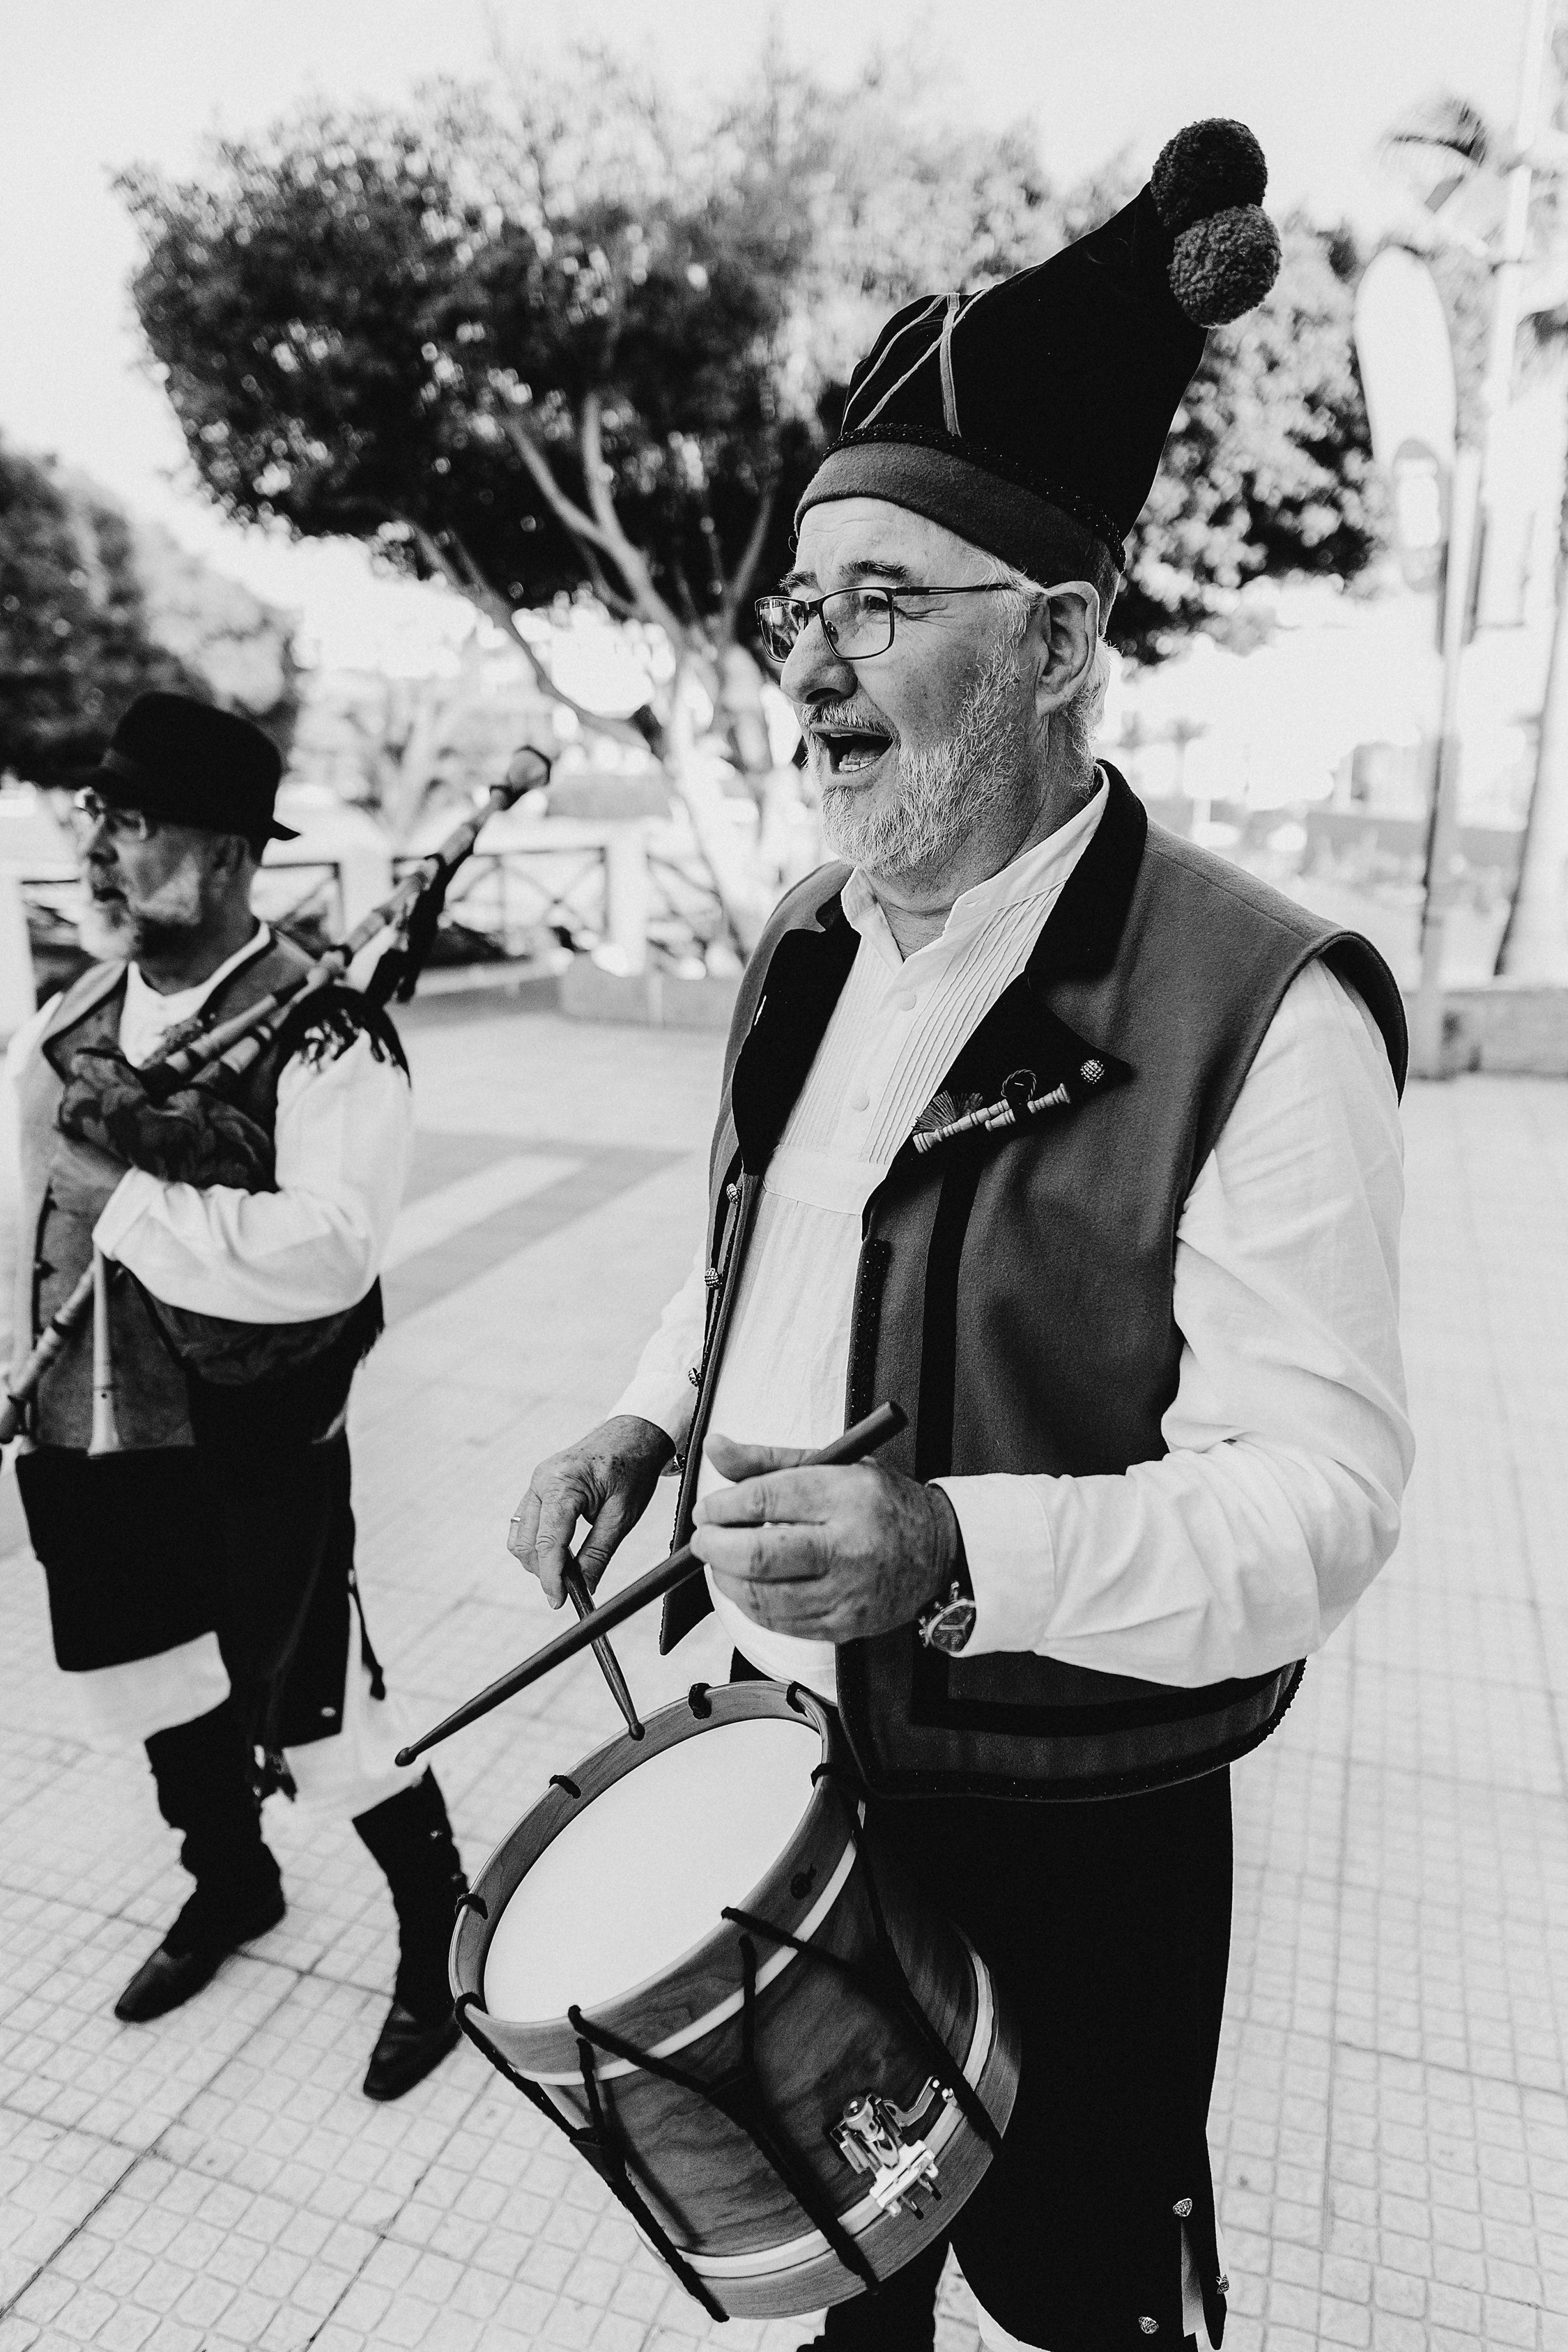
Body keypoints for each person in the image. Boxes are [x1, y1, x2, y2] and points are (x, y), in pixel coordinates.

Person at [508, 120, 1412, 2351]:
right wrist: (647, 1411)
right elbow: (765, 1237)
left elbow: (1318, 1508)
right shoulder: (809, 938)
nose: (810, 670)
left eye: (885, 607)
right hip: (809, 1765)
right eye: (804, 610)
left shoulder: (1262, 1002)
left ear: (1061, 639)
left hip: (1077, 1814)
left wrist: (943, 1550)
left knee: (1079, 2291)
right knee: (854, 2272)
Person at [0, 691, 466, 2103]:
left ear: (226, 853)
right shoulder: (68, 1017)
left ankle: (439, 1928)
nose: (99, 848)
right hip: (89, 1434)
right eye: (98, 814)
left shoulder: (329, 1034)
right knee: (153, 1683)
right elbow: (24, 1219)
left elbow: (330, 1250)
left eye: (135, 823)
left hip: (249, 1448)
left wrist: (132, 1200)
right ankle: (231, 1879)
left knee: (318, 1711)